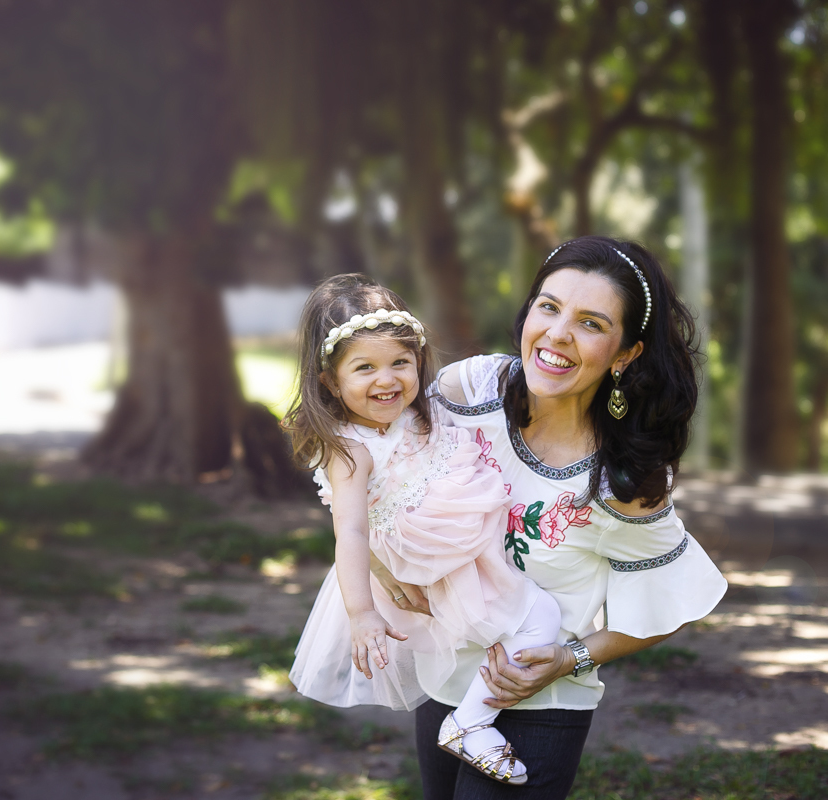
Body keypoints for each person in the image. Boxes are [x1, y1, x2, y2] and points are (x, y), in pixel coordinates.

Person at [375, 235, 728, 799]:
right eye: (549, 306)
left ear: (625, 354)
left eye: (591, 322)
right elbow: (370, 473)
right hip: (441, 680)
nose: (558, 333)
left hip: (539, 706)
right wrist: (385, 568)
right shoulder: (469, 392)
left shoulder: (622, 482)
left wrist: (569, 657)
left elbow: (674, 603)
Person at [285, 274, 563, 786]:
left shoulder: (416, 413)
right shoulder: (351, 450)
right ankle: (470, 723)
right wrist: (362, 612)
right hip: (431, 560)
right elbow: (348, 532)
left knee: (501, 634)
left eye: (399, 362)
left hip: (455, 548)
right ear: (329, 381)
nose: (386, 380)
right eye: (364, 368)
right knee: (540, 616)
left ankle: (471, 714)